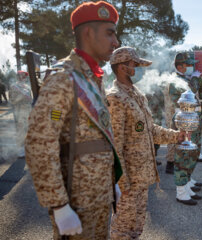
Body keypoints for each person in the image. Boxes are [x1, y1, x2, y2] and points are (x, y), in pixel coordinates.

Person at [25, 2, 122, 239]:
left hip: (98, 197)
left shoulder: (91, 78)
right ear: (88, 33)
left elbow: (96, 137)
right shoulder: (63, 77)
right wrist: (58, 205)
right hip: (76, 202)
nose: (116, 42)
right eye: (109, 33)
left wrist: (112, 183)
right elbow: (40, 143)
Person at [107, 46, 187, 240]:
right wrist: (121, 181)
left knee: (136, 226)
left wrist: (177, 135)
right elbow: (114, 144)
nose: (139, 69)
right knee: (122, 229)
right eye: (136, 65)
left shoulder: (137, 94)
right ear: (122, 67)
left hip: (142, 176)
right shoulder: (115, 97)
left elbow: (150, 130)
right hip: (128, 179)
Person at [164, 52, 202, 205]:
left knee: (190, 155)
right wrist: (194, 79)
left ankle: (186, 185)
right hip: (183, 124)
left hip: (190, 122)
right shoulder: (175, 81)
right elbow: (187, 98)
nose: (191, 67)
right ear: (180, 66)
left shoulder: (184, 79)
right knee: (183, 158)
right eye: (188, 64)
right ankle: (181, 192)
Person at [8, 71, 32, 158]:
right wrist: (21, 96)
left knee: (28, 130)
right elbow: (12, 100)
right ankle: (20, 150)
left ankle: (26, 148)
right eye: (21, 76)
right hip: (19, 112)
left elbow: (30, 100)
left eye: (25, 76)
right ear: (18, 77)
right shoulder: (14, 87)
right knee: (21, 131)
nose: (23, 78)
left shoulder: (27, 87)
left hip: (28, 111)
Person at [146, 84, 165, 165]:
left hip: (157, 118)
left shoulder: (159, 90)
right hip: (147, 118)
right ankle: (148, 159)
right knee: (147, 140)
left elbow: (163, 102)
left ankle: (154, 158)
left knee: (156, 140)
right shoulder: (142, 88)